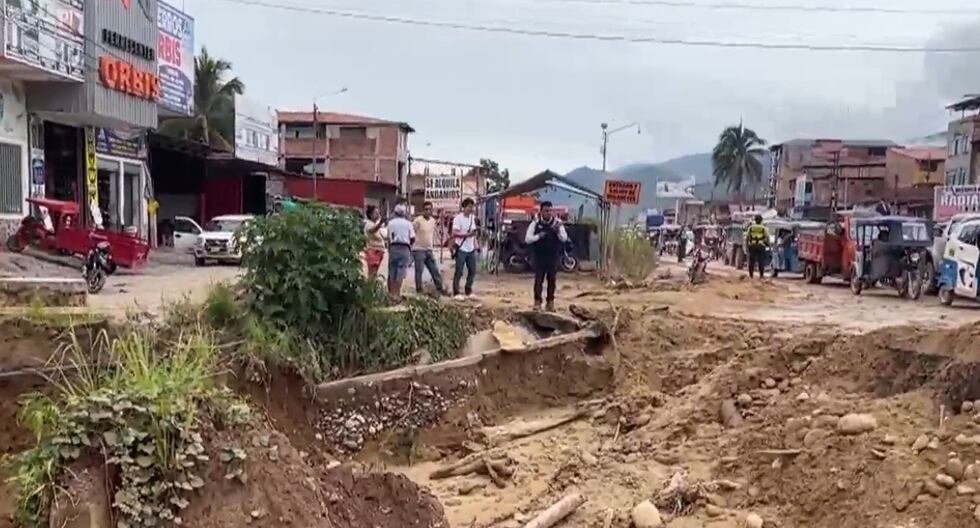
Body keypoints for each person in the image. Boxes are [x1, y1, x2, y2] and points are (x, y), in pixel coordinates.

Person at [525, 201, 569, 311]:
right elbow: (528, 239)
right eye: (546, 211)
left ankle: (550, 303)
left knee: (552, 280)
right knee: (538, 280)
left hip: (553, 256)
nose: (548, 213)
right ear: (541, 211)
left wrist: (557, 231)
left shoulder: (557, 223)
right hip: (539, 256)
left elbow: (564, 238)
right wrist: (539, 236)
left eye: (550, 211)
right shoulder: (535, 223)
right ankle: (537, 302)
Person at [412, 202, 446, 295]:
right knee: (419, 270)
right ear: (423, 210)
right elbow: (412, 232)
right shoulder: (418, 220)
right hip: (418, 249)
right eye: (426, 209)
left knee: (434, 269)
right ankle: (419, 290)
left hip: (429, 249)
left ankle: (440, 288)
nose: (427, 211)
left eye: (429, 209)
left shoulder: (432, 221)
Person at [386, 203, 415, 302]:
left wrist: (390, 248)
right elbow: (412, 238)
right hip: (404, 247)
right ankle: (397, 294)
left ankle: (391, 294)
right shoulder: (408, 223)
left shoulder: (391, 223)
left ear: (395, 213)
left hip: (393, 247)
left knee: (392, 271)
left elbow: (388, 237)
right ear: (404, 213)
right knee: (401, 271)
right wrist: (409, 246)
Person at [451, 198, 479, 299]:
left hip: (470, 248)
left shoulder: (472, 218)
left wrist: (476, 245)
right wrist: (466, 235)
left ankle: (468, 289)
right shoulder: (458, 219)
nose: (471, 209)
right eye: (469, 207)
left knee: (472, 270)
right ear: (464, 207)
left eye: (472, 207)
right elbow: (454, 232)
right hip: (461, 248)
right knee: (459, 270)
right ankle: (456, 291)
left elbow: (473, 233)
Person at [363, 205, 387, 280]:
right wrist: (380, 224)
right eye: (375, 213)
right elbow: (372, 230)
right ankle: (370, 286)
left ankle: (372, 285)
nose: (378, 215)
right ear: (370, 215)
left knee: (374, 273)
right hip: (373, 250)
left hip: (378, 251)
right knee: (372, 273)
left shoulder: (376, 224)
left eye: (378, 213)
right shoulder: (368, 224)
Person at [745, 215, 769, 279]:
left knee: (751, 261)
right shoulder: (763, 228)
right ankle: (761, 275)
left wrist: (747, 246)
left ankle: (751, 275)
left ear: (755, 220)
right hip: (761, 246)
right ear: (761, 220)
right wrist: (768, 245)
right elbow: (767, 237)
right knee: (761, 261)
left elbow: (747, 237)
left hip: (752, 245)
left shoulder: (751, 227)